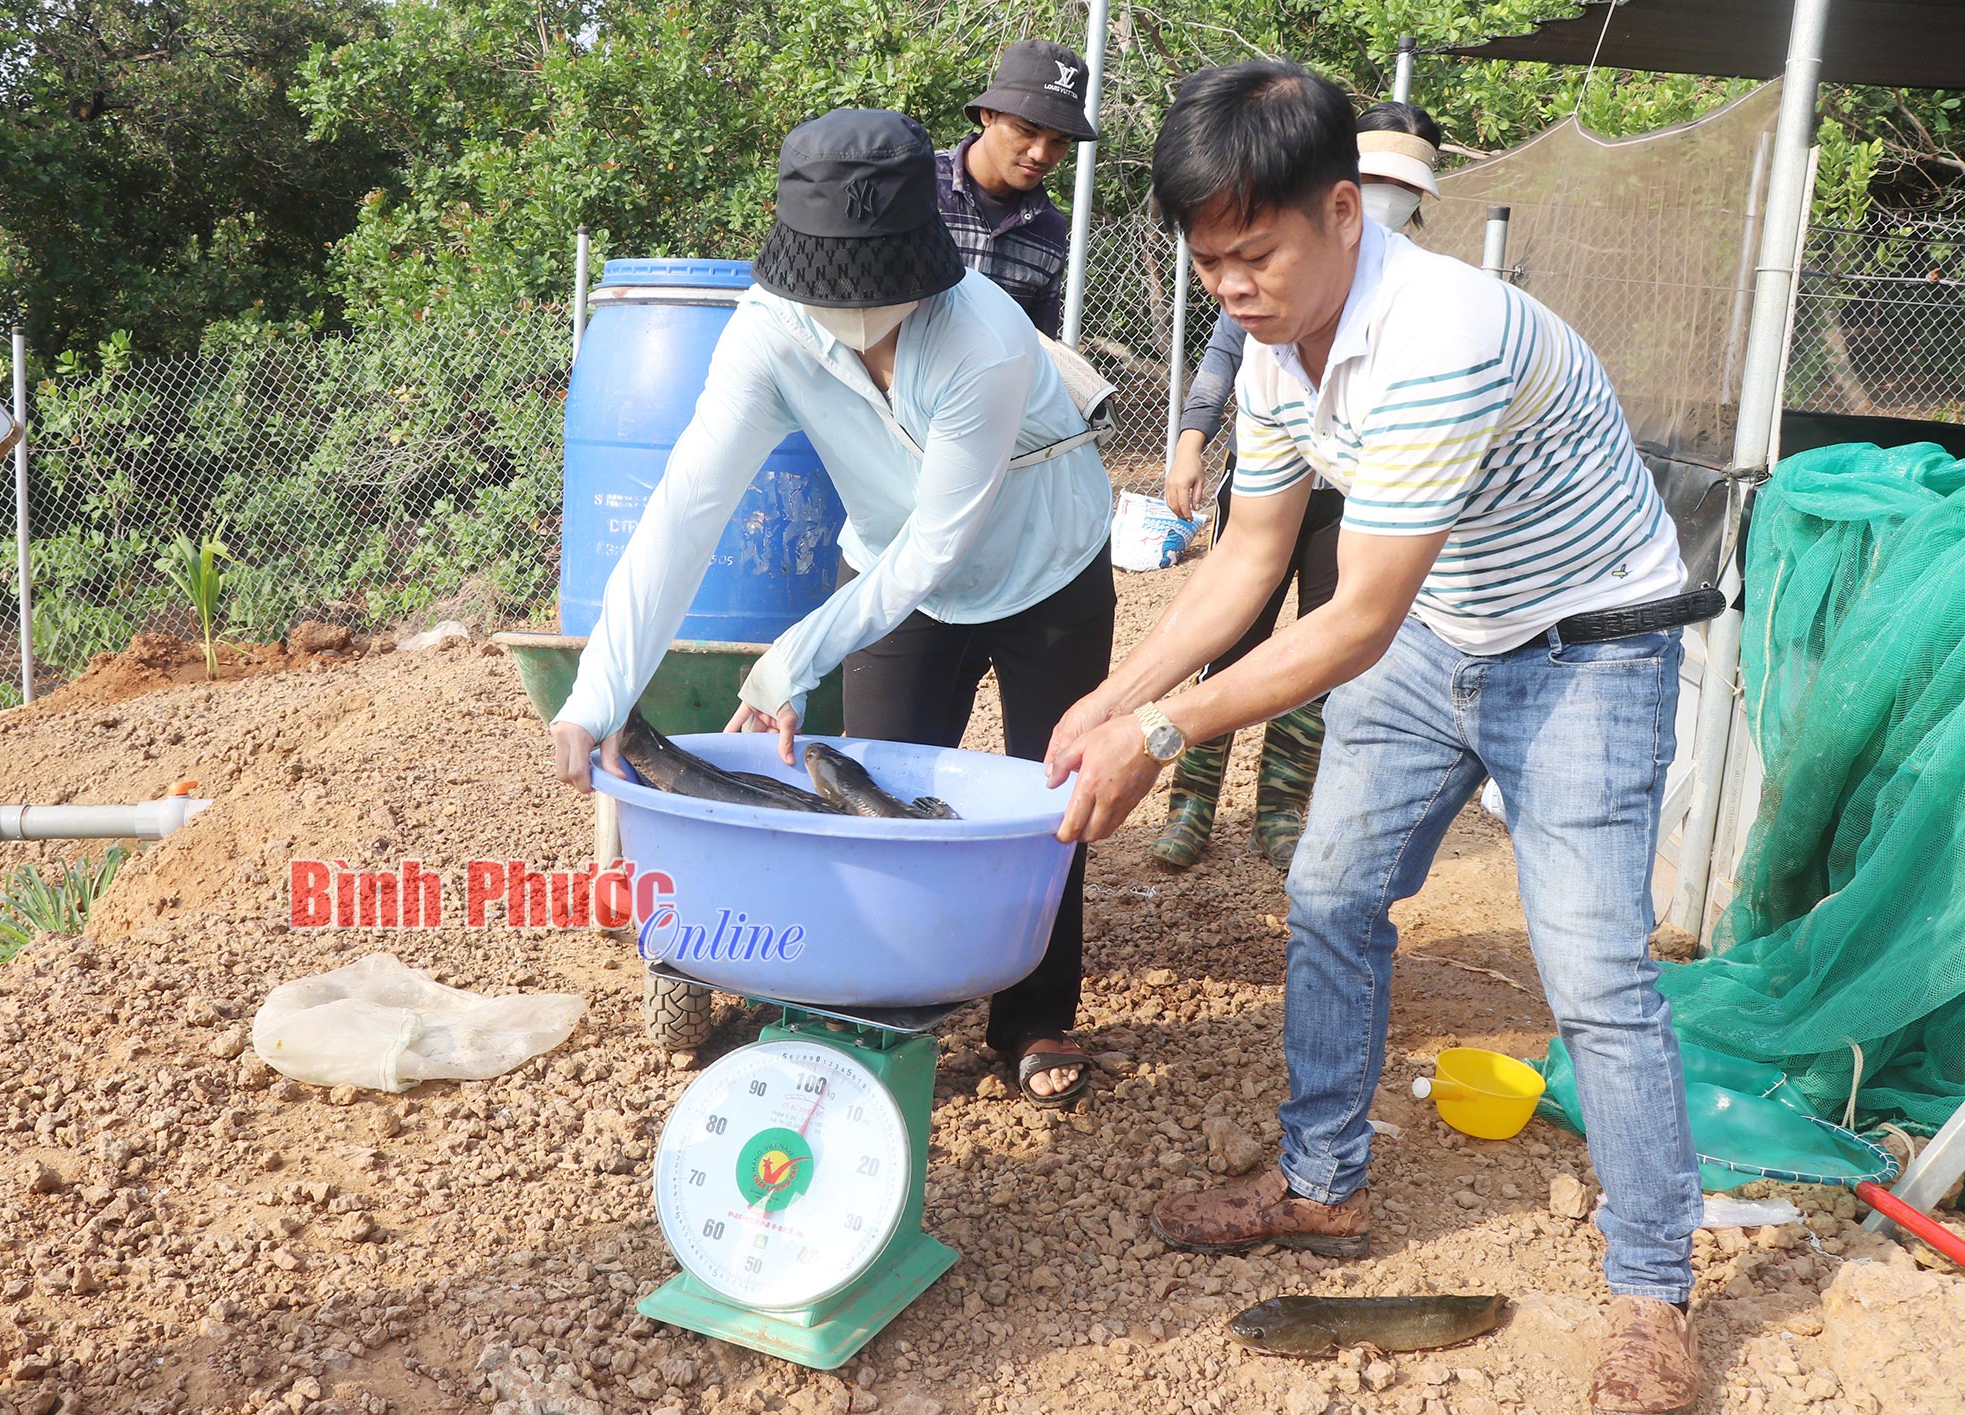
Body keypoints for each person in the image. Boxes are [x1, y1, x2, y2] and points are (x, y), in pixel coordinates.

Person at [1046, 63, 1708, 1414]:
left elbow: (1350, 621)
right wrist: (1117, 694)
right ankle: (1323, 1183)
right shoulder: (1283, 348)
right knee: (1332, 889)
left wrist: (1160, 731)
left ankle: (1654, 1289)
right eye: (1207, 261)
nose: (1229, 287)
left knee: (1592, 975)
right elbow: (1251, 554)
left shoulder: (1437, 334)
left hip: (1591, 640)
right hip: (1442, 630)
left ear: (1345, 209)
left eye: (1254, 253)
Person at [551, 109, 1114, 1108]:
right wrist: (599, 692)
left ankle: (1031, 1014)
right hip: (885, 579)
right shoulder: (767, 329)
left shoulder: (980, 334)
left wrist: (787, 658)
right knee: (858, 807)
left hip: (1043, 568)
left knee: (1048, 798)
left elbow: (938, 545)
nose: (852, 313)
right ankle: (866, 1007)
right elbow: (685, 508)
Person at [1152, 102, 1443, 870]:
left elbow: (1358, 625)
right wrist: (1190, 442)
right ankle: (1191, 805)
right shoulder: (1274, 281)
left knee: (1322, 647)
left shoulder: (1424, 308)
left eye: (1405, 186)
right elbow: (1222, 364)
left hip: (1348, 504)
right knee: (1236, 639)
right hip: (1266, 485)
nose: (1390, 196)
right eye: (1378, 177)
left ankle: (1281, 806)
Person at [934, 39, 1098, 336]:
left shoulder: (1047, 229)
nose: (1041, 154)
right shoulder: (919, 186)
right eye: (1027, 131)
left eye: (1059, 142)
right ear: (988, 114)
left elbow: (1037, 348)